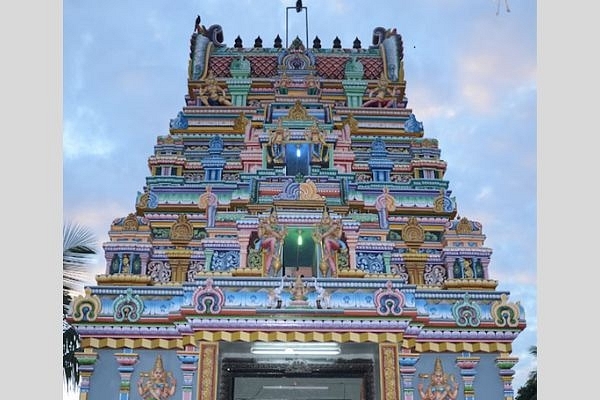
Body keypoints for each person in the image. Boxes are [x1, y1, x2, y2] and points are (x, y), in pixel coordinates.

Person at [312, 208, 345, 277]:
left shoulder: (333, 226)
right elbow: (318, 238)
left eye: (326, 218)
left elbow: (338, 236)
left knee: (327, 240)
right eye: (323, 218)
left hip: (335, 243)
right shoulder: (321, 228)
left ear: (329, 218)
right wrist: (316, 231)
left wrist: (340, 228)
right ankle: (334, 272)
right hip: (327, 246)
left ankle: (328, 254)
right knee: (329, 256)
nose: (324, 220)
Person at [257, 208, 287, 276]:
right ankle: (273, 254)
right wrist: (260, 227)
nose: (274, 218)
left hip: (272, 246)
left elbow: (280, 236)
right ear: (270, 216)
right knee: (273, 240)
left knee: (270, 254)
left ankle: (267, 271)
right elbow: (260, 236)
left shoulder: (277, 227)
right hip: (264, 243)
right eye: (273, 216)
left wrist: (282, 234)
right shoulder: (265, 224)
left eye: (276, 217)